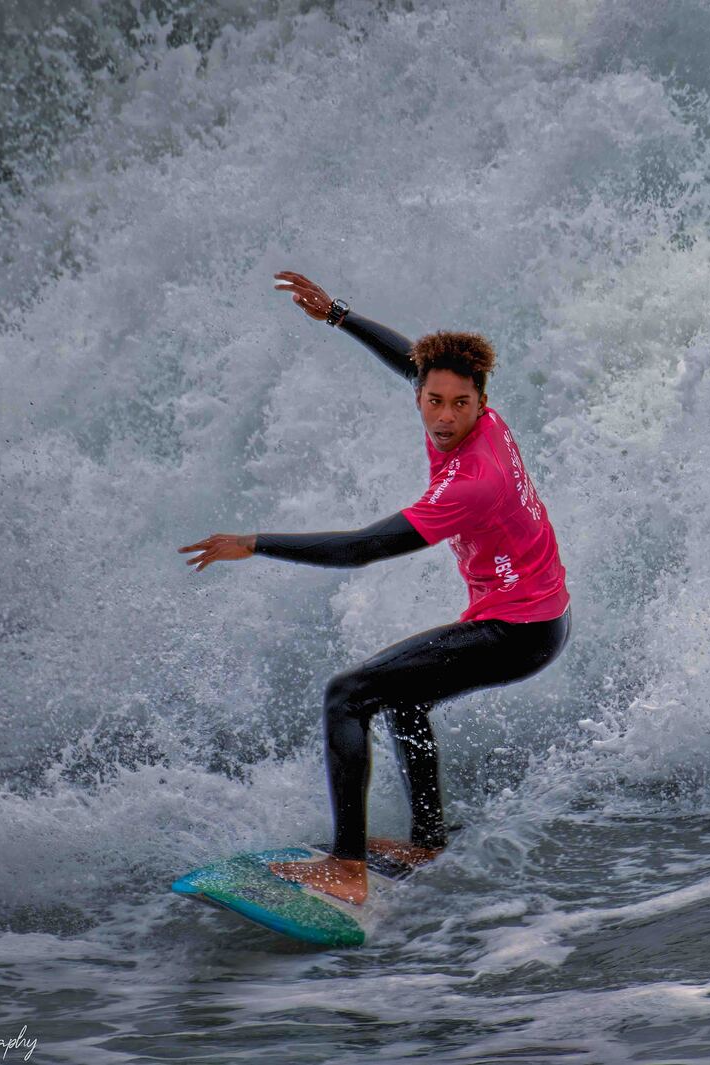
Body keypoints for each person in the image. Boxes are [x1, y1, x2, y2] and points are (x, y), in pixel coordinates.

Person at [177, 271, 571, 904]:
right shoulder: (473, 416)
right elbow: (411, 360)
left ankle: (346, 868)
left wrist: (254, 542)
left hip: (519, 632)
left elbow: (362, 548)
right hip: (537, 613)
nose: (443, 418)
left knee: (348, 695)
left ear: (481, 402)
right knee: (403, 697)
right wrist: (337, 314)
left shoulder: (473, 481)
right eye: (432, 400)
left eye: (458, 405)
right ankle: (428, 840)